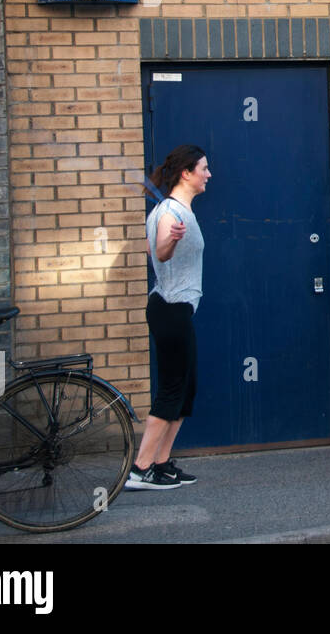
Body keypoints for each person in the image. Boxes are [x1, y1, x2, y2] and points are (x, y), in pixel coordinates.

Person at [127, 145, 211, 490]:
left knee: (186, 388)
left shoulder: (172, 210)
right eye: (204, 168)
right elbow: (160, 251)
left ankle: (161, 463)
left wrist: (162, 245)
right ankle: (140, 468)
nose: (209, 174)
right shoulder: (172, 213)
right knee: (173, 388)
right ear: (186, 173)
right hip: (170, 309)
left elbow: (151, 248)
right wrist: (170, 243)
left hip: (174, 309)